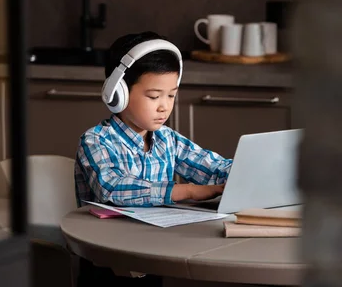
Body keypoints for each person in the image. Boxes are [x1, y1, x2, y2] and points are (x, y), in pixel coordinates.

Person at [74, 31, 233, 286]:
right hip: (108, 262)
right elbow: (112, 186)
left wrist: (249, 170)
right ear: (118, 94)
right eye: (153, 96)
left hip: (153, 253)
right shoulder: (96, 141)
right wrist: (188, 191)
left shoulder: (167, 139)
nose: (164, 106)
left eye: (171, 95)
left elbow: (212, 167)